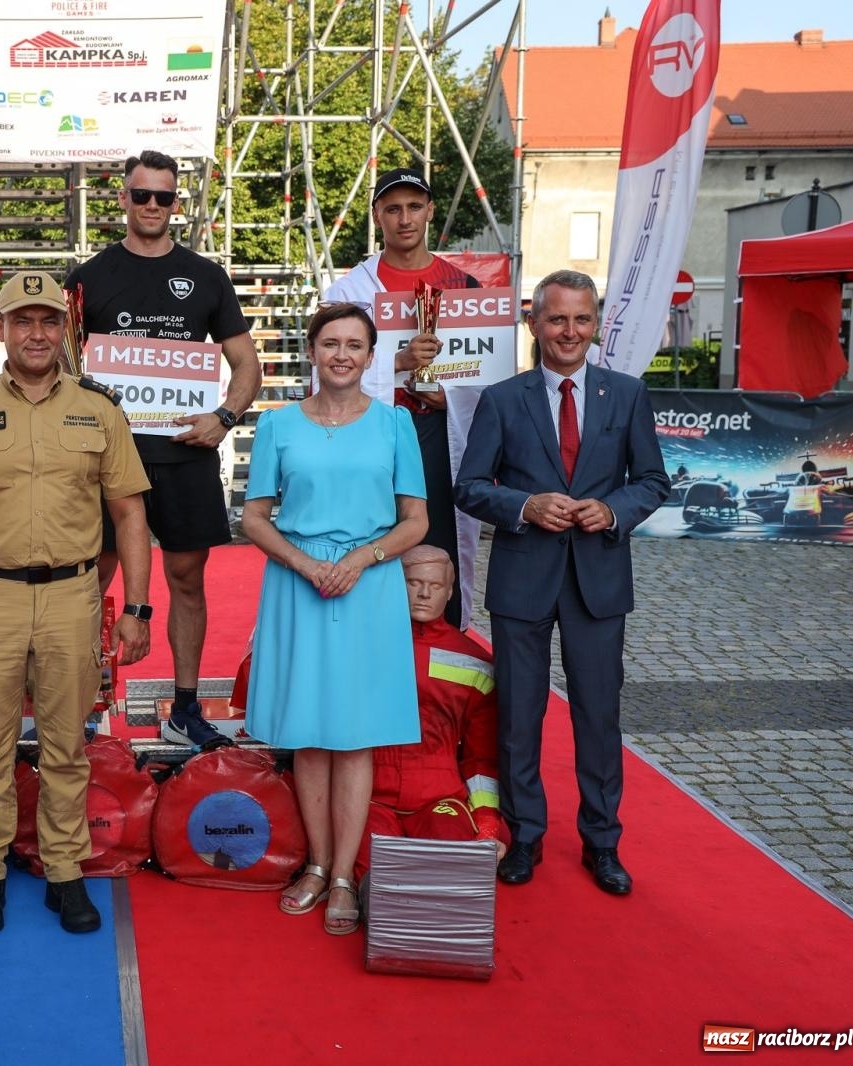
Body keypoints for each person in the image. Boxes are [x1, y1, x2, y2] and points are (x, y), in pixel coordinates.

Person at [0, 270, 153, 935]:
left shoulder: (99, 409)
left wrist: (138, 606)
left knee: (65, 746)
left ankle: (64, 871)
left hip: (74, 597)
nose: (38, 333)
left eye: (49, 321)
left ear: (65, 329)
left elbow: (130, 515)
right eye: (24, 320)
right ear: (1, 330)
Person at [455, 269, 670, 895]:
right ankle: (524, 836)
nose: (569, 331)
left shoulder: (626, 395)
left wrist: (614, 511)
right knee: (519, 717)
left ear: (596, 323)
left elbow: (653, 481)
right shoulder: (502, 399)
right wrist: (523, 507)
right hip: (524, 580)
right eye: (556, 319)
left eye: (580, 319)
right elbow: (470, 486)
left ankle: (602, 842)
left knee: (598, 718)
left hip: (598, 581)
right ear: (534, 323)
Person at [239, 301, 427, 935]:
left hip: (368, 585)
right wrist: (303, 563)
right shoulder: (276, 426)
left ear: (371, 357)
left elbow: (417, 520)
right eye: (330, 343)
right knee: (308, 733)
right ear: (312, 352)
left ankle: (345, 874)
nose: (342, 354)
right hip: (298, 585)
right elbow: (254, 516)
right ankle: (317, 866)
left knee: (356, 735)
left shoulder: (396, 424)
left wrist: (362, 558)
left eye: (354, 345)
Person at [65, 150, 262, 748]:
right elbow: (65, 367)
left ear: (177, 203)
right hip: (104, 457)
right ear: (122, 199)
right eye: (142, 195)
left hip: (182, 451)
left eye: (164, 197)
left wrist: (224, 418)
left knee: (186, 577)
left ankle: (183, 708)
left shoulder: (204, 275)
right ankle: (82, 704)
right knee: (89, 580)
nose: (153, 206)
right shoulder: (88, 276)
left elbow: (246, 364)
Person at [322, 167, 482, 627]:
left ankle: (442, 648)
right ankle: (364, 636)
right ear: (377, 216)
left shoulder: (465, 288)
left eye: (414, 206)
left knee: (438, 541)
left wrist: (448, 398)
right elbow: (326, 368)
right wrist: (395, 363)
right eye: (393, 208)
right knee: (366, 538)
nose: (405, 218)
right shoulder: (349, 292)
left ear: (430, 211)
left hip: (438, 434)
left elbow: (487, 376)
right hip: (371, 436)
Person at [352, 545, 509, 884]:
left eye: (435, 586)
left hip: (439, 796)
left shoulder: (475, 661)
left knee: (452, 861)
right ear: (396, 584)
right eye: (413, 582)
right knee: (372, 866)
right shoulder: (361, 645)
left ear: (450, 591)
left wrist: (486, 824)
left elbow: (481, 758)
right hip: (369, 793)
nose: (424, 593)